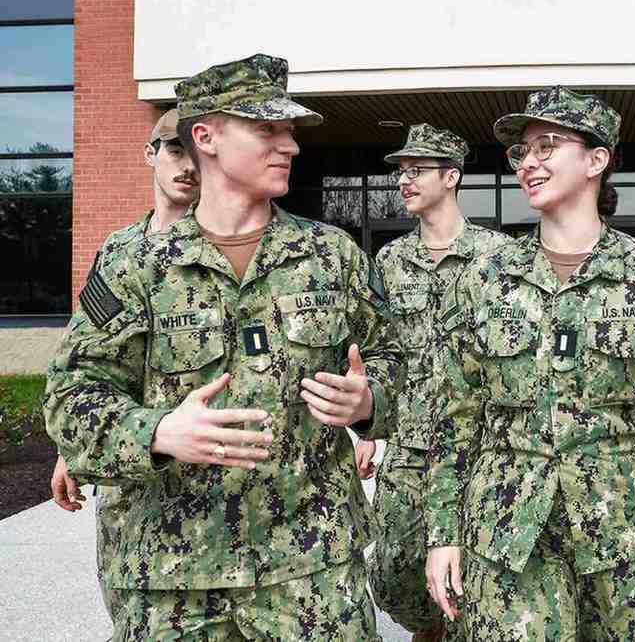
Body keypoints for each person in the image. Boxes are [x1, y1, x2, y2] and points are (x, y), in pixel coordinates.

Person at [43, 53, 404, 640]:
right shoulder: (135, 263)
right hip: (168, 576)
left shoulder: (332, 256)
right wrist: (156, 432)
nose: (289, 145)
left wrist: (370, 404)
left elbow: (410, 365)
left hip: (311, 568)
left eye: (289, 131)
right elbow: (71, 395)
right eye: (267, 129)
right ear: (205, 137)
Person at [422, 86, 635, 640]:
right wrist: (442, 532)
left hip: (622, 529)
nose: (529, 161)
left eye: (548, 145)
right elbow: (456, 416)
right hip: (507, 529)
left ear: (596, 160)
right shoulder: (483, 277)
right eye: (522, 152)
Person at [353, 123, 509, 642]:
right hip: (411, 444)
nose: (404, 180)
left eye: (417, 171)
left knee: (476, 570)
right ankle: (430, 628)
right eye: (401, 171)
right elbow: (381, 351)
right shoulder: (390, 262)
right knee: (393, 575)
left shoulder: (499, 258)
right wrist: (370, 428)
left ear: (451, 177)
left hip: (482, 445)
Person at [48, 107, 199, 621]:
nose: (187, 166)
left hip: (209, 483)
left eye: (198, 153)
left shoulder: (223, 246)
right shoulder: (117, 250)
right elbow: (89, 365)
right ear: (150, 155)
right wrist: (72, 449)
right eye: (175, 151)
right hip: (134, 485)